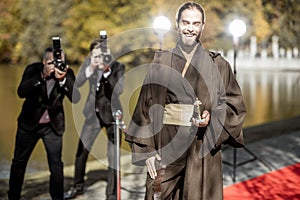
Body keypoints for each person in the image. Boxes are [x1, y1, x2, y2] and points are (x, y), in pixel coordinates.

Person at [125, 2, 246, 200]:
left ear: (203, 26)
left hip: (200, 145)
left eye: (195, 23)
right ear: (177, 24)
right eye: (186, 22)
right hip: (165, 143)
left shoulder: (218, 65)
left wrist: (213, 117)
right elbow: (144, 107)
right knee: (156, 194)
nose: (190, 28)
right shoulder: (161, 63)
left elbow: (235, 106)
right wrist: (146, 150)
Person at [7, 47, 80, 200]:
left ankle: (57, 197)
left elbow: (76, 98)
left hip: (53, 127)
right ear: (44, 62)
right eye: (51, 62)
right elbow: (21, 92)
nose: (56, 65)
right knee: (19, 163)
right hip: (28, 125)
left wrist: (63, 80)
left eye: (60, 62)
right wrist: (42, 76)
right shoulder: (33, 70)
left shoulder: (68, 72)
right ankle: (13, 196)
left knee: (56, 165)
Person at [64, 39, 125, 200]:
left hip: (112, 114)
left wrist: (106, 70)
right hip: (92, 114)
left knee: (113, 156)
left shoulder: (118, 67)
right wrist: (91, 67)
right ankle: (77, 187)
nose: (99, 57)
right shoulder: (89, 64)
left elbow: (119, 90)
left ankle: (111, 195)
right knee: (81, 151)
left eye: (102, 53)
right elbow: (78, 83)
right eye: (95, 54)